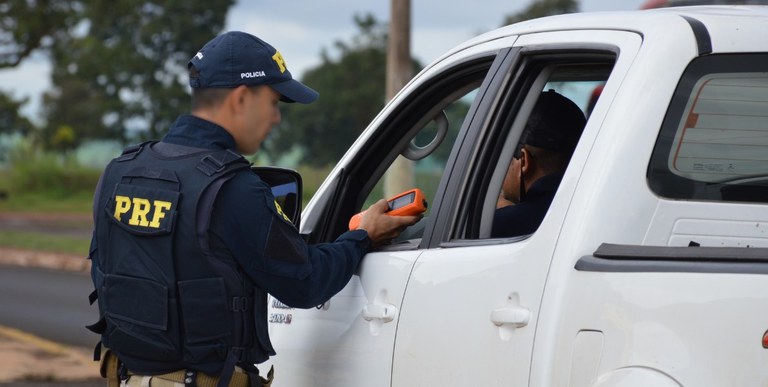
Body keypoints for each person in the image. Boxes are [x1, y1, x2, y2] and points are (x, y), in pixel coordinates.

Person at [86, 31, 419, 387]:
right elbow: (305, 283)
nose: (276, 118)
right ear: (242, 98)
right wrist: (362, 235)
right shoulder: (233, 189)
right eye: (274, 102)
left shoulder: (119, 171)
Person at [491, 90, 586, 238]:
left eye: (503, 158)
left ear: (523, 161)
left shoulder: (500, 225)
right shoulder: (593, 210)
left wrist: (503, 215)